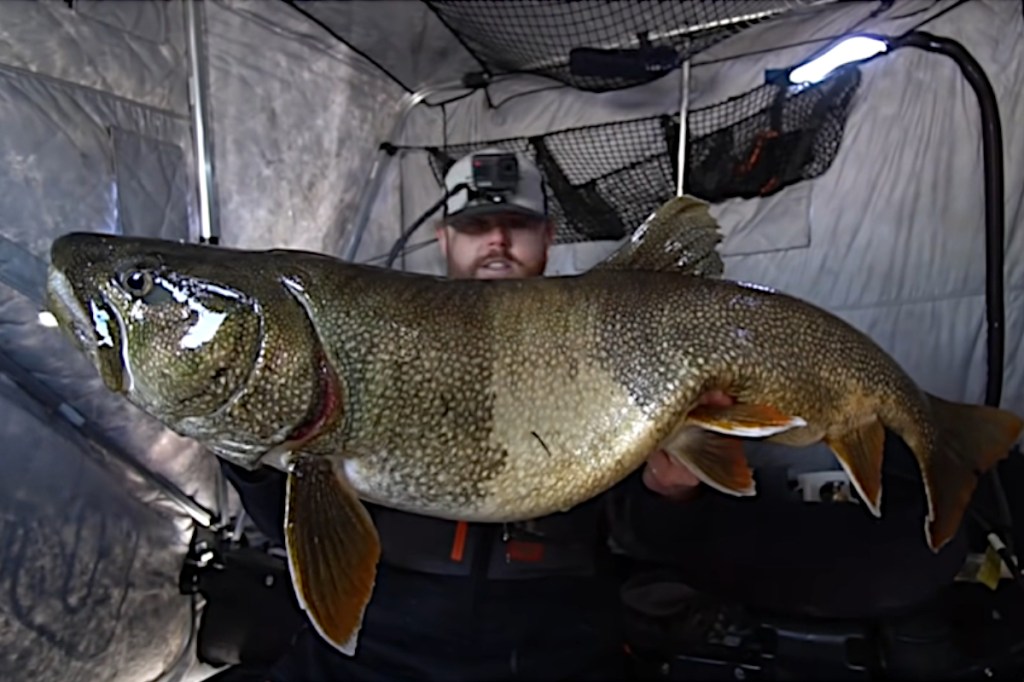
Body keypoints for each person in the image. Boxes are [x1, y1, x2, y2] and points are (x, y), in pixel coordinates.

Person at [220, 147, 722, 682]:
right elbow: (295, 523)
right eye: (476, 224)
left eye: (517, 224)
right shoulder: (372, 335)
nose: (498, 241)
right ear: (444, 239)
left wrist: (674, 493)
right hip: (377, 649)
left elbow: (650, 548)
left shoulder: (622, 344)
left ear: (549, 238)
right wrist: (248, 448)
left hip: (559, 651)